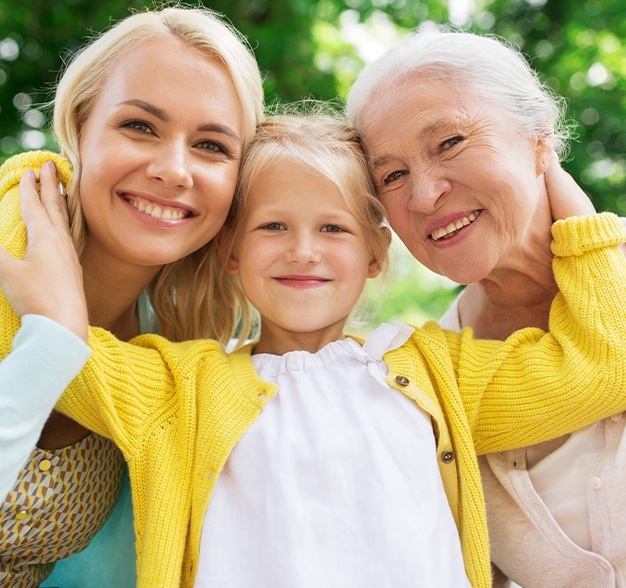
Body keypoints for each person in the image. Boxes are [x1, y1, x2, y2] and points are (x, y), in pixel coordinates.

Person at [2, 112, 626, 588]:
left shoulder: (440, 373)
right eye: (273, 226)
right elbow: (43, 337)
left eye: (333, 228)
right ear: (231, 251)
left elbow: (605, 364)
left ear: (377, 253)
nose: (304, 250)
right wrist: (35, 179)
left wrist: (556, 184)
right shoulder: (175, 390)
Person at [346, 27, 626, 586]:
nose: (423, 196)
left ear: (539, 140)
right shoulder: (426, 378)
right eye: (392, 175)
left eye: (450, 142)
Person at [0, 5, 263, 586]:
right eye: (140, 126)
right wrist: (52, 340)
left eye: (212, 146)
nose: (174, 170)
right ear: (79, 129)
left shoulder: (173, 350)